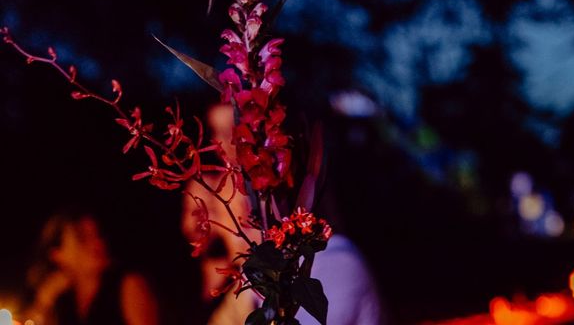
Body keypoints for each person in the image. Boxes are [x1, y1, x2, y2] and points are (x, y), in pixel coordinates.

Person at [181, 103, 384, 325]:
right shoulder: (259, 279)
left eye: (237, 133)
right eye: (217, 132)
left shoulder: (335, 260)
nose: (226, 144)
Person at [24, 210, 159, 325]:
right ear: (57, 254)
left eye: (97, 234)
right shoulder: (63, 301)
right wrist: (44, 300)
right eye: (83, 238)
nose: (98, 243)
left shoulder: (128, 285)